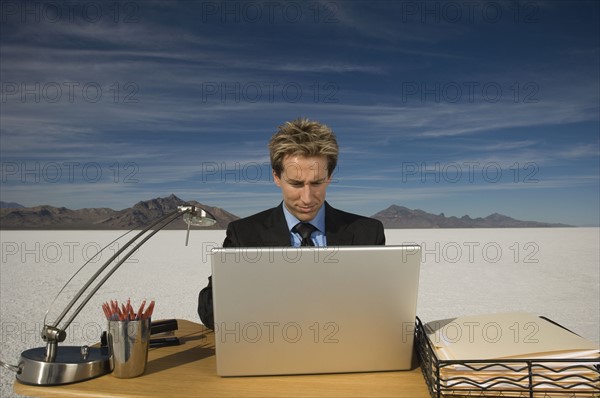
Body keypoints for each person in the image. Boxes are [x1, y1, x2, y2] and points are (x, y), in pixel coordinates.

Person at [197, 118, 385, 329]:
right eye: (296, 183)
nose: (307, 198)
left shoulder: (367, 233)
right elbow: (209, 311)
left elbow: (382, 305)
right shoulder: (244, 234)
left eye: (316, 183)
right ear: (276, 177)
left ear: (329, 177)